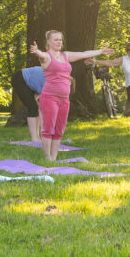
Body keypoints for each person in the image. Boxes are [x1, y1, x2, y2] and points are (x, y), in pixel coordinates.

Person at [29, 31, 113, 162]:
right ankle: (47, 158)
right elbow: (41, 55)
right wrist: (37, 51)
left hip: (64, 99)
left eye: (60, 39)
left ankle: (54, 158)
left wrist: (100, 51)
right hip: (49, 97)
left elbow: (83, 54)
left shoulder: (65, 55)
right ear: (48, 42)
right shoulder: (47, 56)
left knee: (59, 129)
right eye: (55, 39)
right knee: (48, 128)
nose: (59, 42)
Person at [10, 65, 45, 143]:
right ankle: (34, 138)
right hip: (20, 79)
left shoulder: (57, 82)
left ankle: (38, 137)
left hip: (30, 83)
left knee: (38, 107)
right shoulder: (54, 81)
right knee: (32, 107)